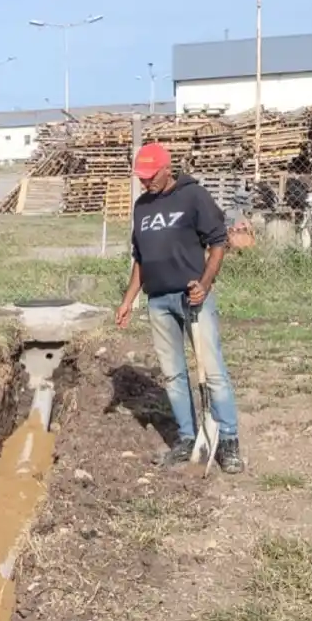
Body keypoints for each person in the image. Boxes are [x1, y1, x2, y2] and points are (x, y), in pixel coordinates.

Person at [115, 142, 243, 473]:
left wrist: (205, 283)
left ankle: (228, 441)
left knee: (212, 371)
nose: (145, 182)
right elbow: (140, 259)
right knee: (173, 374)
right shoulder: (141, 207)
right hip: (158, 301)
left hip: (192, 297)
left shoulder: (193, 196)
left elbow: (218, 242)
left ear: (167, 168)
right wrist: (129, 299)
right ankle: (187, 437)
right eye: (140, 177)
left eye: (150, 176)